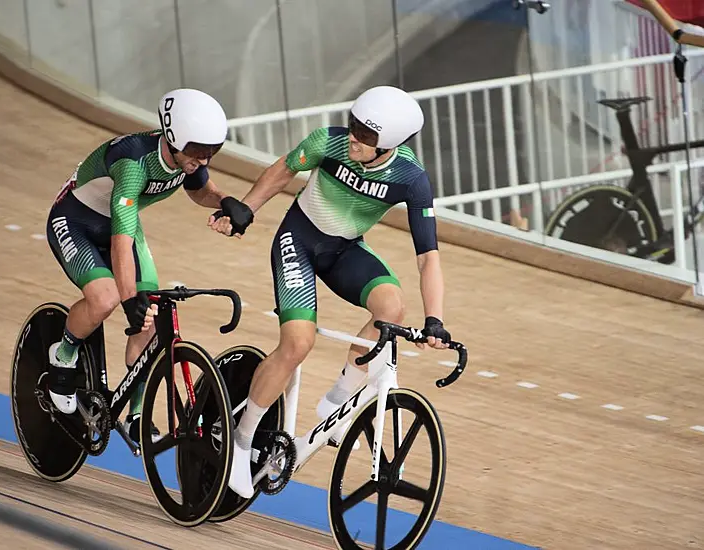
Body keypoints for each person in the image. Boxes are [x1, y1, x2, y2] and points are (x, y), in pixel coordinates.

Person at [210, 85, 452, 499]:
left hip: (344, 251)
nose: (354, 137)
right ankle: (241, 439)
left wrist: (436, 319)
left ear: (390, 145)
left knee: (393, 308)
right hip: (298, 243)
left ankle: (337, 398)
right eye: (355, 124)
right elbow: (284, 169)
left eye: (367, 135)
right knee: (297, 345)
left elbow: (428, 256)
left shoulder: (411, 179)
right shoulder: (328, 141)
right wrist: (247, 210)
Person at [45, 88, 252, 445]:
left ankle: (136, 412)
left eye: (212, 152)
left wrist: (225, 200)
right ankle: (63, 354)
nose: (204, 160)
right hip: (75, 221)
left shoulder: (185, 156)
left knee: (152, 312)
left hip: (118, 222)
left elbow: (199, 188)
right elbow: (121, 242)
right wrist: (128, 299)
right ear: (173, 139)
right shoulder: (133, 166)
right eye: (199, 152)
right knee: (107, 299)